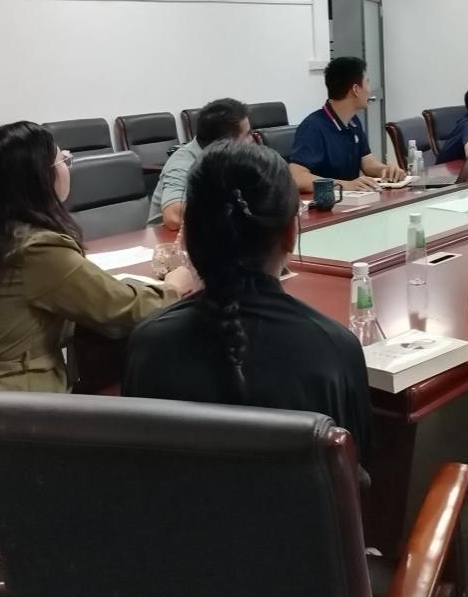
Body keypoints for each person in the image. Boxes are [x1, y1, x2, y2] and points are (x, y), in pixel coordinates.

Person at [0, 121, 194, 453]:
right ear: (38, 177)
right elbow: (123, 309)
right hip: (7, 417)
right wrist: (173, 287)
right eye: (62, 160)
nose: (68, 167)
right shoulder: (36, 248)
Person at [124, 141, 372, 462]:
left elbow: (137, 471)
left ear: (189, 238)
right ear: (290, 234)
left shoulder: (148, 344)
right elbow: (357, 470)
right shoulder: (333, 348)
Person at [288, 56, 403, 192]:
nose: (369, 90)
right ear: (356, 89)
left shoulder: (353, 122)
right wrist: (344, 185)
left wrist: (386, 170)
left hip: (353, 200)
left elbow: (368, 163)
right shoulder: (313, 127)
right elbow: (297, 177)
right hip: (326, 203)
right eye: (367, 83)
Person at [148, 98, 251, 230]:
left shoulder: (233, 158)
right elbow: (174, 217)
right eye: (247, 134)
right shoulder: (183, 162)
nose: (251, 139)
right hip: (167, 238)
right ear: (226, 143)